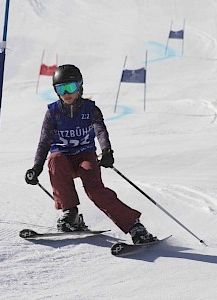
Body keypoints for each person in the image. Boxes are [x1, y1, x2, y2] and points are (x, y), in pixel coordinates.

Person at [25, 64, 157, 244]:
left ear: (79, 86)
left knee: (95, 190)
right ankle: (70, 213)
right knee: (54, 160)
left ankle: (135, 226)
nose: (66, 93)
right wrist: (36, 167)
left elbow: (100, 131)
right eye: (60, 88)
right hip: (63, 158)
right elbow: (44, 141)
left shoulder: (90, 109)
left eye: (70, 87)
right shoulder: (52, 113)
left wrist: (106, 151)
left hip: (85, 157)